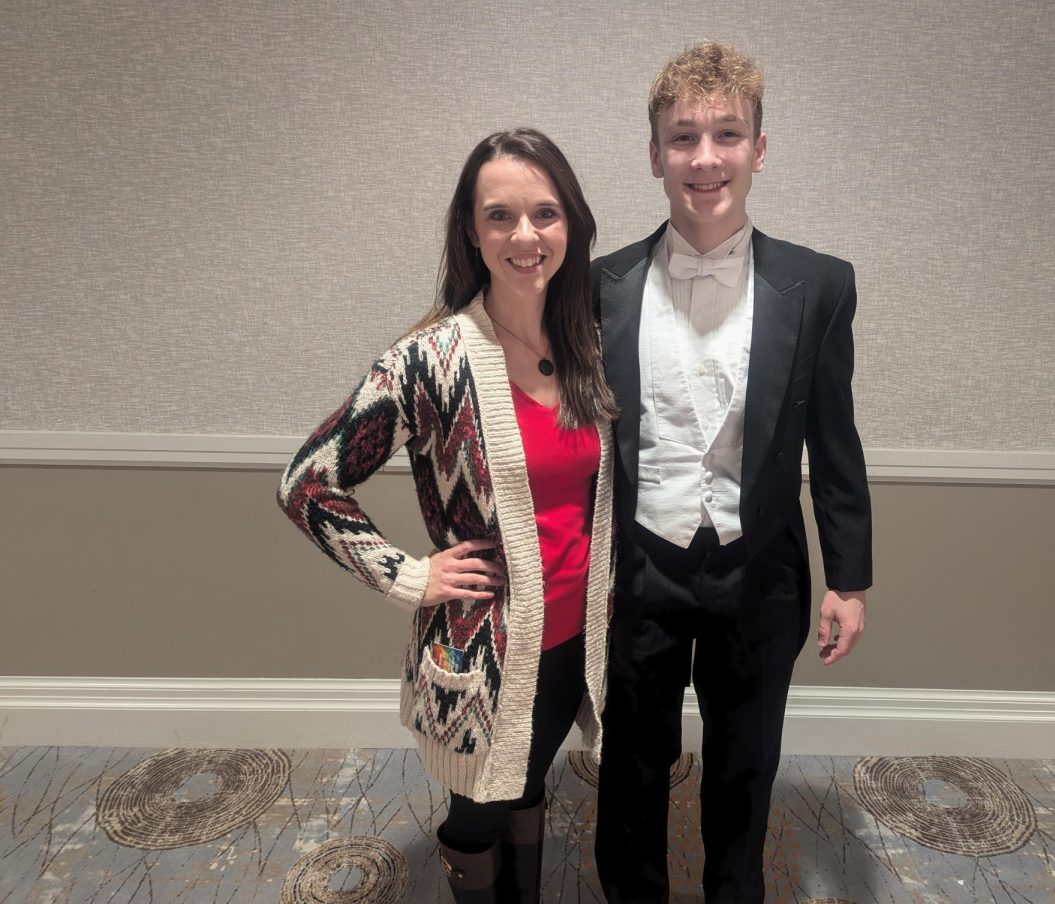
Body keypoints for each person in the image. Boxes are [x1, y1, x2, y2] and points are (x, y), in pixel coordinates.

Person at [278, 128, 617, 903]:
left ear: (573, 224)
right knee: (476, 813)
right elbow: (306, 483)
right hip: (483, 655)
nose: (525, 236)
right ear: (472, 230)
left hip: (576, 640)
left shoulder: (590, 344)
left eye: (545, 213)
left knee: (530, 785)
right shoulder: (428, 361)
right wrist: (408, 574)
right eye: (500, 216)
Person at [593, 42, 873, 902]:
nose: (705, 157)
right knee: (631, 766)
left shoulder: (819, 285)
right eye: (683, 138)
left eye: (727, 134)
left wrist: (848, 578)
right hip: (639, 567)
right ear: (654, 155)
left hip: (762, 571)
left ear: (759, 146)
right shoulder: (598, 288)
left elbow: (834, 437)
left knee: (746, 766)